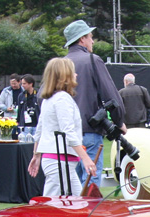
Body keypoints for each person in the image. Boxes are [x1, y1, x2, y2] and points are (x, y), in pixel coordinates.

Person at [65, 19, 126, 187]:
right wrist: (119, 121)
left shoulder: (59, 65)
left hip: (66, 137)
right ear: (82, 39)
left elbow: (43, 98)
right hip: (89, 131)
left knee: (71, 188)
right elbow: (111, 96)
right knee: (89, 187)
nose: (92, 41)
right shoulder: (92, 60)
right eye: (90, 37)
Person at [27, 58, 97, 197]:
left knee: (78, 204)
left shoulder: (49, 99)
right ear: (65, 75)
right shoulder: (62, 99)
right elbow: (68, 132)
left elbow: (40, 130)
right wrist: (86, 158)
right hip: (59, 162)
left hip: (59, 161)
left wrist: (36, 155)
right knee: (52, 207)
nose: (76, 75)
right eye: (73, 72)